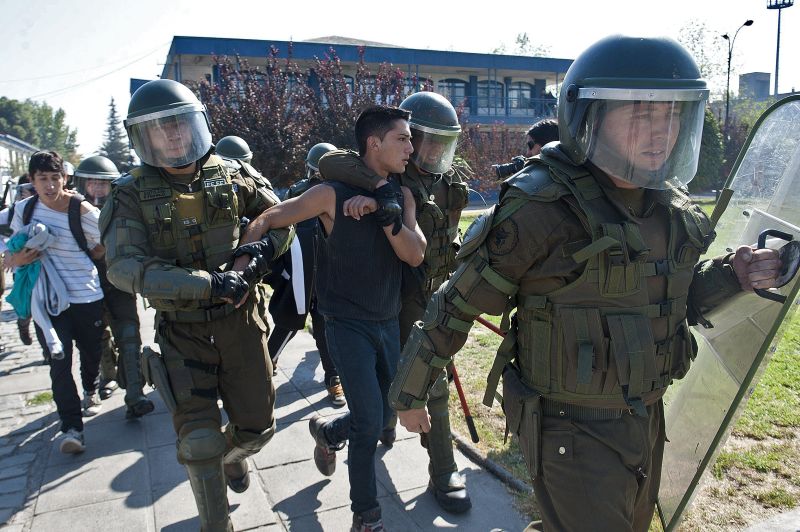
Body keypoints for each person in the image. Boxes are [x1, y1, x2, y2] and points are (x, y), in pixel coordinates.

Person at [387, 35, 784, 532]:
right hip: (570, 429)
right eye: (640, 114)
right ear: (589, 117)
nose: (660, 132)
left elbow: (670, 302)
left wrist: (734, 275)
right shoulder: (541, 206)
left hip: (647, 417)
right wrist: (411, 395)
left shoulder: (671, 208)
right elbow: (456, 305)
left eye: (672, 115)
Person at [100, 79, 293, 532]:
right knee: (200, 442)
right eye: (160, 128)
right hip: (182, 331)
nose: (172, 134)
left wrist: (259, 254)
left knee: (258, 430)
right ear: (142, 137)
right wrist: (207, 285)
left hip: (243, 323)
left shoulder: (234, 172)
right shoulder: (128, 191)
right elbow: (123, 267)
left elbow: (282, 219)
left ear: (196, 125)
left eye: (178, 123)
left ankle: (230, 457)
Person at [238, 105, 426, 531]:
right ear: (374, 143)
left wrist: (385, 212)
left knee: (383, 415)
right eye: (403, 138)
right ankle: (366, 515)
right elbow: (270, 217)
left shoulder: (403, 196)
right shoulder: (331, 194)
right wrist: (242, 265)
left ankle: (327, 432)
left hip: (388, 321)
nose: (412, 147)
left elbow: (414, 253)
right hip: (346, 325)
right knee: (366, 422)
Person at [320, 91, 473, 513]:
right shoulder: (390, 173)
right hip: (392, 296)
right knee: (407, 385)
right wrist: (376, 189)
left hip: (435, 295)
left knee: (417, 386)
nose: (436, 153)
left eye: (446, 144)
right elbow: (331, 161)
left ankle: (437, 469)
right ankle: (432, 465)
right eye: (428, 142)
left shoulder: (449, 184)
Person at [6, 151, 106, 454]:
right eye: (42, 179)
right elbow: (9, 247)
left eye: (54, 178)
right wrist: (14, 258)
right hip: (47, 300)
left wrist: (94, 253)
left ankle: (91, 385)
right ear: (32, 181)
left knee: (91, 352)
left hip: (85, 295)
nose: (49, 186)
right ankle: (72, 428)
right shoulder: (23, 210)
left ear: (65, 179)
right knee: (59, 362)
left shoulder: (83, 211)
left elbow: (107, 242)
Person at [265, 142, 346, 406]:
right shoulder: (297, 192)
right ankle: (264, 370)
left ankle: (333, 378)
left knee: (325, 327)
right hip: (300, 275)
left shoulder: (341, 193)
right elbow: (284, 235)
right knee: (288, 324)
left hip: (328, 276)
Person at [74, 155, 155, 417]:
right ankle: (107, 375)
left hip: (119, 283)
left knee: (129, 334)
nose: (98, 189)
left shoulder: (124, 207)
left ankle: (135, 394)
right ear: (82, 184)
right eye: (92, 183)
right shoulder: (73, 212)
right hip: (86, 287)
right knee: (98, 337)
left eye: (103, 183)